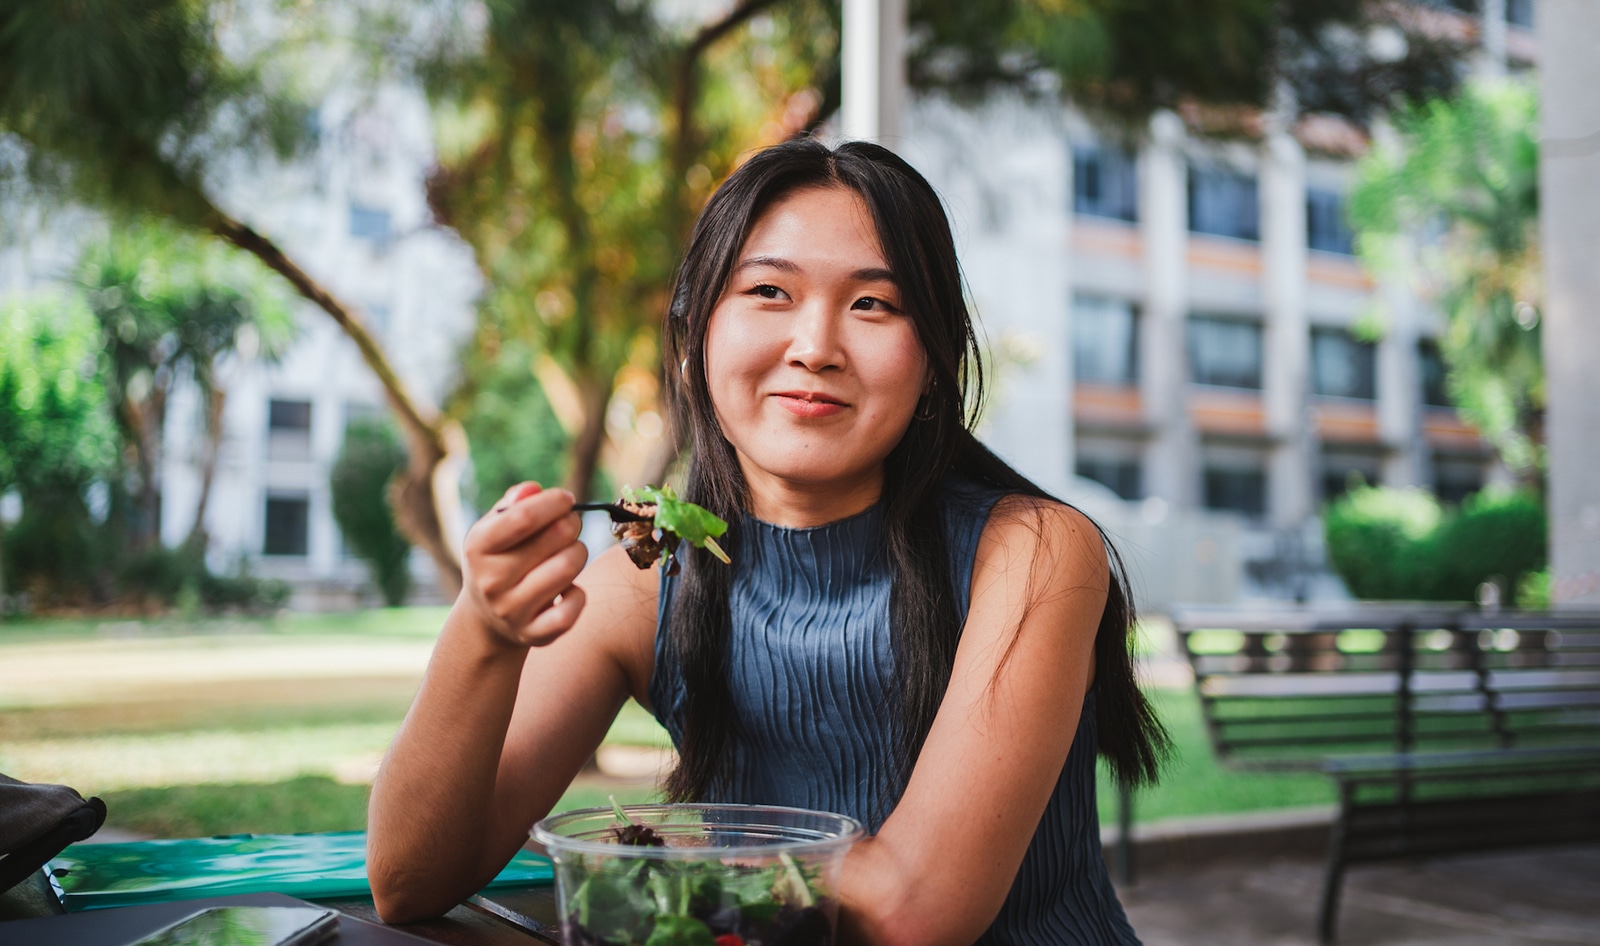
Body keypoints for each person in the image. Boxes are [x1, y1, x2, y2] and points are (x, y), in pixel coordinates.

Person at [367, 138, 1167, 946]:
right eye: (769, 291)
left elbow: (912, 913)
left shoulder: (1033, 553)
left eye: (873, 305)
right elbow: (408, 880)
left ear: (933, 361)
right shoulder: (643, 587)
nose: (816, 346)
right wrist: (486, 632)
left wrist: (670, 848)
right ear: (694, 340)